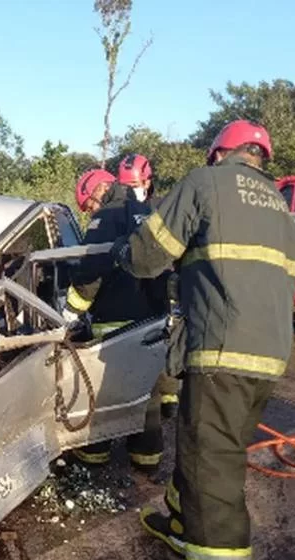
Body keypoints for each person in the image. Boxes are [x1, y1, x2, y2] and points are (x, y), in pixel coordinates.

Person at [110, 120, 295, 560]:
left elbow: (151, 254)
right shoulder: (281, 208)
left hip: (222, 351)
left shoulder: (206, 182)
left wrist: (122, 257)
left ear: (219, 154)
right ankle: (181, 526)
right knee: (204, 446)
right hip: (268, 357)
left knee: (212, 465)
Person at [63, 168, 168, 473]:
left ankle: (94, 455)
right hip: (150, 318)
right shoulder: (145, 210)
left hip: (114, 324)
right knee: (145, 390)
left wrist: (72, 309)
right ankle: (147, 458)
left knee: (104, 389)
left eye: (89, 206)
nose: (91, 212)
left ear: (97, 191)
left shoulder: (107, 215)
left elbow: (91, 268)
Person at [117, 152, 181, 418]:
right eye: (127, 188)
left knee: (165, 341)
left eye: (135, 186)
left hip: (162, 282)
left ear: (147, 181)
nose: (133, 193)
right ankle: (145, 394)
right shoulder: (120, 211)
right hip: (133, 285)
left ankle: (169, 398)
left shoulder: (163, 207)